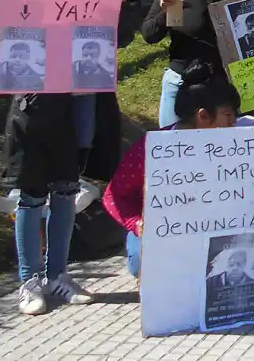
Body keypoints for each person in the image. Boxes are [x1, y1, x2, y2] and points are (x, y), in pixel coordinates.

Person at [0, 0, 134, 314]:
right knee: (31, 193)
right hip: (34, 97)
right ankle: (29, 281)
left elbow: (116, 41)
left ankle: (58, 275)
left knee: (67, 189)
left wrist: (117, 0)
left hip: (80, 96)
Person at [103, 61, 243, 279]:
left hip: (218, 229)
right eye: (228, 115)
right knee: (142, 259)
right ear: (203, 116)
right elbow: (113, 195)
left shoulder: (245, 141)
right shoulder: (152, 149)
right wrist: (136, 224)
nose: (235, 121)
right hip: (166, 231)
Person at [143, 0, 247, 128]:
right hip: (182, 83)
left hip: (223, 88)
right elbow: (148, 34)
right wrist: (166, 15)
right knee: (175, 149)